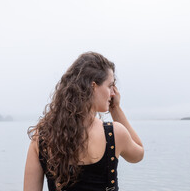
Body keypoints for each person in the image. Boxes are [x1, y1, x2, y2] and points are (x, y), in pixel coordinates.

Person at [24, 52, 144, 191]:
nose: (113, 93)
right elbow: (138, 155)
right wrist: (115, 108)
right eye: (110, 86)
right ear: (93, 86)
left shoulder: (42, 138)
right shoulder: (114, 133)